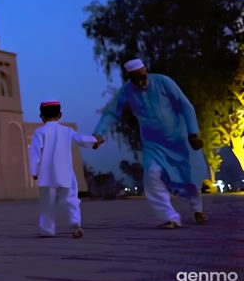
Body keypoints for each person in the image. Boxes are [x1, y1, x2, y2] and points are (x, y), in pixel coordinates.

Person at [93, 58, 209, 228]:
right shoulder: (127, 91)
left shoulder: (163, 82)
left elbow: (185, 106)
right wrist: (99, 134)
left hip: (179, 138)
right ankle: (170, 217)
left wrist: (193, 133)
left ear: (146, 71)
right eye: (136, 79)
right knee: (152, 175)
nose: (141, 82)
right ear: (129, 78)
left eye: (143, 76)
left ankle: (197, 210)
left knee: (189, 176)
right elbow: (111, 113)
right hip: (153, 144)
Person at [29, 99, 105, 238]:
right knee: (70, 199)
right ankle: (75, 225)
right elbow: (81, 139)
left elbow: (35, 153)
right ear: (60, 115)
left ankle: (47, 229)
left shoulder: (39, 132)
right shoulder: (67, 131)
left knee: (47, 203)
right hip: (65, 174)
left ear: (41, 116)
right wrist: (95, 141)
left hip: (46, 175)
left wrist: (34, 171)